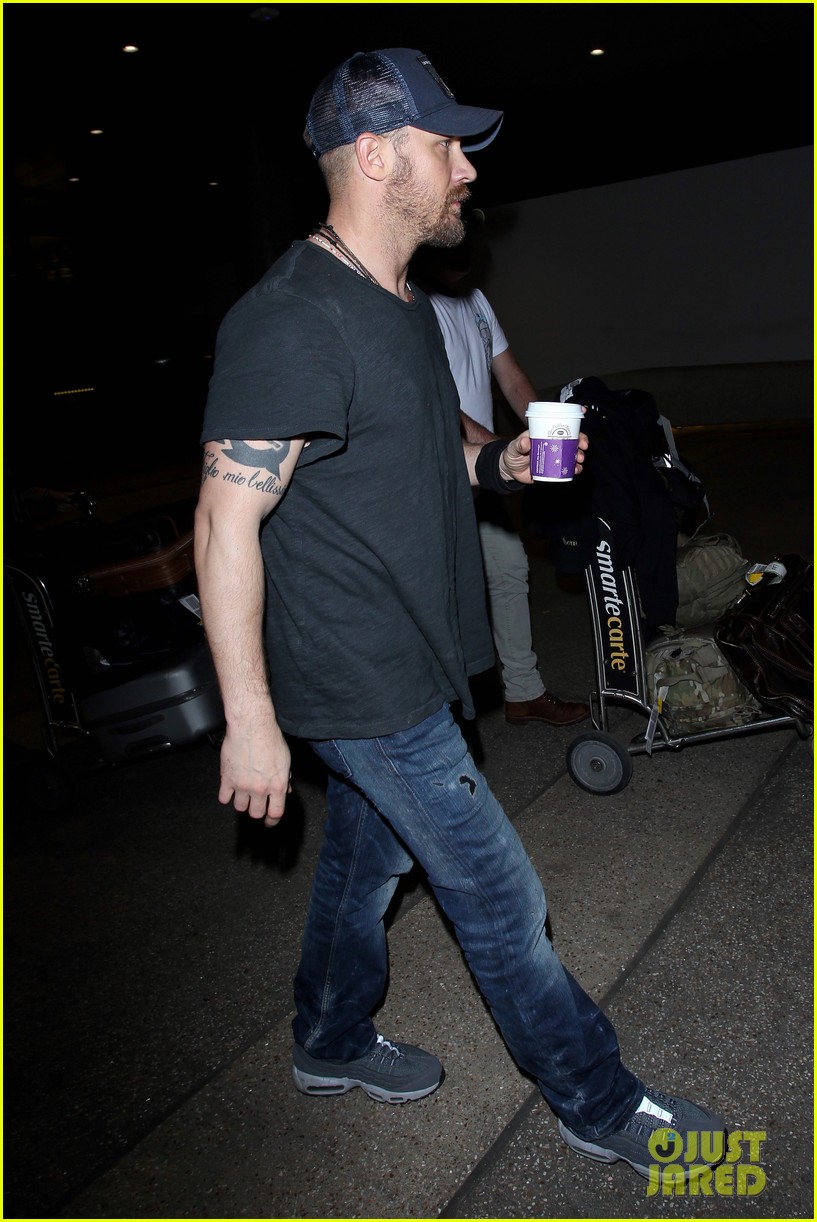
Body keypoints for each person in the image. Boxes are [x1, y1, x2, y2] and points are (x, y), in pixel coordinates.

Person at [194, 47, 727, 1183]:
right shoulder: (289, 319)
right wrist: (249, 719)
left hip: (418, 652)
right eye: (445, 146)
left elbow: (428, 451)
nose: (468, 169)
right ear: (376, 156)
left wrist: (509, 465)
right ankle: (598, 1100)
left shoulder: (397, 301)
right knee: (496, 892)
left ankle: (328, 1037)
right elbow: (223, 522)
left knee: (365, 863)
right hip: (361, 672)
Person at [412, 238, 590, 727]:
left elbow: (511, 379)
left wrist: (548, 432)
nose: (465, 252)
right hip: (444, 472)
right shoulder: (414, 302)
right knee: (441, 594)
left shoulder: (476, 301)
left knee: (509, 572)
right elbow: (440, 402)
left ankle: (523, 692)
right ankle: (433, 719)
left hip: (487, 475)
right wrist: (498, 452)